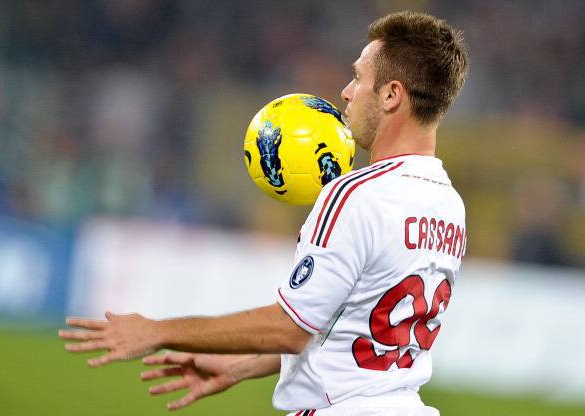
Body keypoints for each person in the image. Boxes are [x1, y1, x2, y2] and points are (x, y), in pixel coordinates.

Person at [59, 11, 468, 416]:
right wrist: (239, 366)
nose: (346, 92)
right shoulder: (448, 203)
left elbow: (290, 329)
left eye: (359, 78)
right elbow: (350, 322)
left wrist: (157, 331)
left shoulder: (354, 195)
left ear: (391, 95)